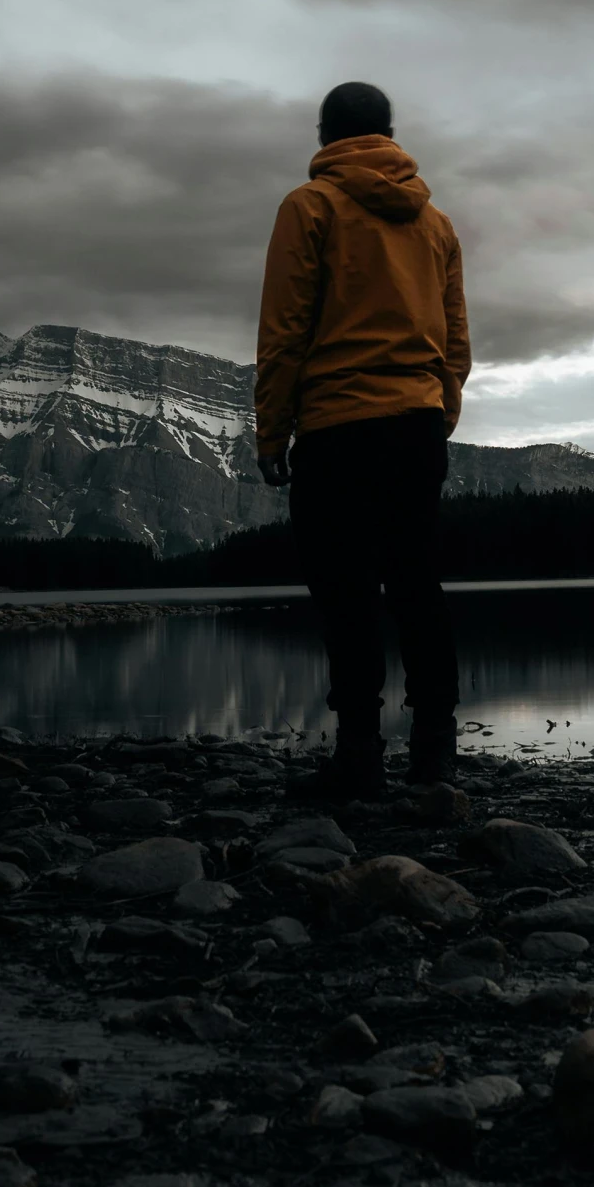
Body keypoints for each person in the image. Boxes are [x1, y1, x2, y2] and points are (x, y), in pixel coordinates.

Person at [255, 81, 470, 798]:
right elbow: (456, 334)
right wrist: (440, 410)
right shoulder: (434, 222)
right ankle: (436, 755)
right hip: (413, 425)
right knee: (417, 584)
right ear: (389, 133)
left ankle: (358, 758)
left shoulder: (309, 206)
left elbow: (284, 328)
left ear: (324, 134)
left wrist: (271, 431)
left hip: (336, 426)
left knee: (345, 591)